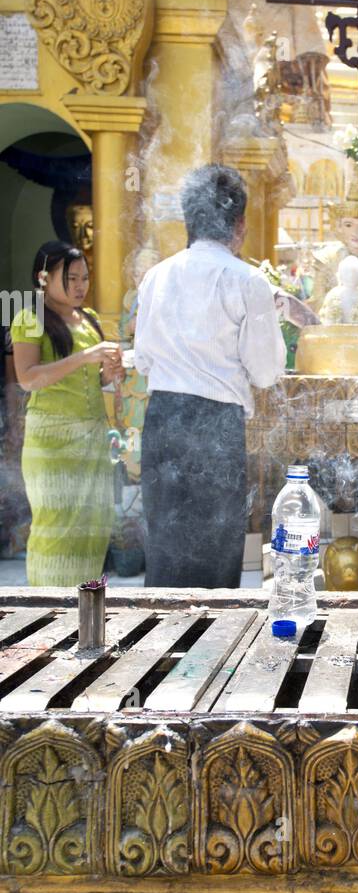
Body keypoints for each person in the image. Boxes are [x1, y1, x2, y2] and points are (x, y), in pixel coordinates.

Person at [134, 165, 286, 588]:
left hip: (162, 418)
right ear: (238, 225)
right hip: (216, 425)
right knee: (215, 556)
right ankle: (209, 649)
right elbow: (266, 371)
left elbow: (143, 358)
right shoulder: (247, 279)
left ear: (190, 219)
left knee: (165, 547)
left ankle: (160, 648)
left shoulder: (155, 276)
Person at [10, 242, 121, 586]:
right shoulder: (29, 318)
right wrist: (87, 357)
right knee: (57, 527)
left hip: (92, 438)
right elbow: (28, 378)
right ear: (43, 278)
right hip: (53, 441)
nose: (80, 286)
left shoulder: (88, 320)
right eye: (70, 278)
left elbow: (95, 381)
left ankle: (86, 613)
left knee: (94, 525)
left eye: (84, 278)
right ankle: (46, 613)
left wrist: (111, 372)